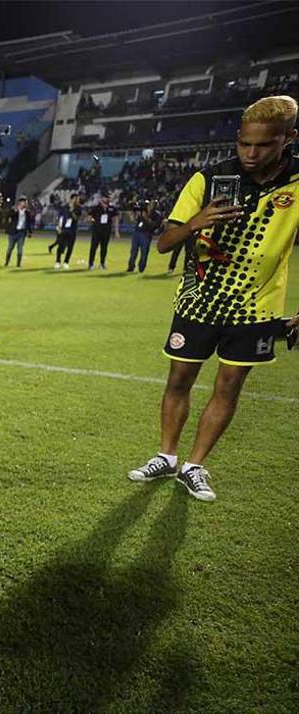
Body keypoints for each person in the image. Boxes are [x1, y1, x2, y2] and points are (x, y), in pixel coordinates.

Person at [128, 95, 299, 501]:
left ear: (288, 139)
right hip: (199, 299)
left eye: (263, 145)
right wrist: (196, 222)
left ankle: (194, 465)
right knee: (179, 379)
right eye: (244, 143)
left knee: (229, 386)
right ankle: (166, 456)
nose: (250, 153)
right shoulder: (207, 179)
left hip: (257, 307)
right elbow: (165, 243)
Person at [126, 201, 161, 273]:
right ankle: (131, 267)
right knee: (133, 251)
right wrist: (133, 216)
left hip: (146, 234)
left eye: (151, 205)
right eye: (149, 205)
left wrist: (147, 218)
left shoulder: (156, 215)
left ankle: (141, 268)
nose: (149, 206)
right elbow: (137, 221)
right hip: (137, 232)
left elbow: (154, 226)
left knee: (144, 253)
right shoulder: (143, 211)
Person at [86, 194, 119, 270]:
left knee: (104, 248)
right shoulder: (96, 207)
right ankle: (91, 263)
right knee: (94, 247)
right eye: (106, 197)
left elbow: (116, 219)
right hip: (97, 230)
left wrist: (116, 231)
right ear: (102, 198)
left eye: (108, 197)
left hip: (106, 231)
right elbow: (89, 217)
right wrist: (93, 221)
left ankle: (102, 263)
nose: (107, 199)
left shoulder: (111, 208)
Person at [3, 196, 33, 268]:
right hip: (13, 232)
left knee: (20, 249)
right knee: (10, 248)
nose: (25, 203)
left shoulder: (27, 212)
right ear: (20, 202)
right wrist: (14, 211)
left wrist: (29, 232)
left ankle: (18, 264)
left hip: (21, 232)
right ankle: (6, 262)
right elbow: (7, 216)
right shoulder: (14, 210)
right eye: (24, 202)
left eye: (26, 202)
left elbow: (28, 223)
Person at [53, 194, 81, 270]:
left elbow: (76, 218)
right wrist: (58, 227)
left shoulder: (78, 208)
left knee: (70, 247)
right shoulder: (64, 207)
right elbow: (60, 217)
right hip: (64, 229)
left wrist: (72, 211)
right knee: (60, 246)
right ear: (71, 199)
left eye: (77, 199)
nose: (77, 200)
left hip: (72, 230)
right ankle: (58, 261)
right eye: (76, 199)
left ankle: (66, 262)